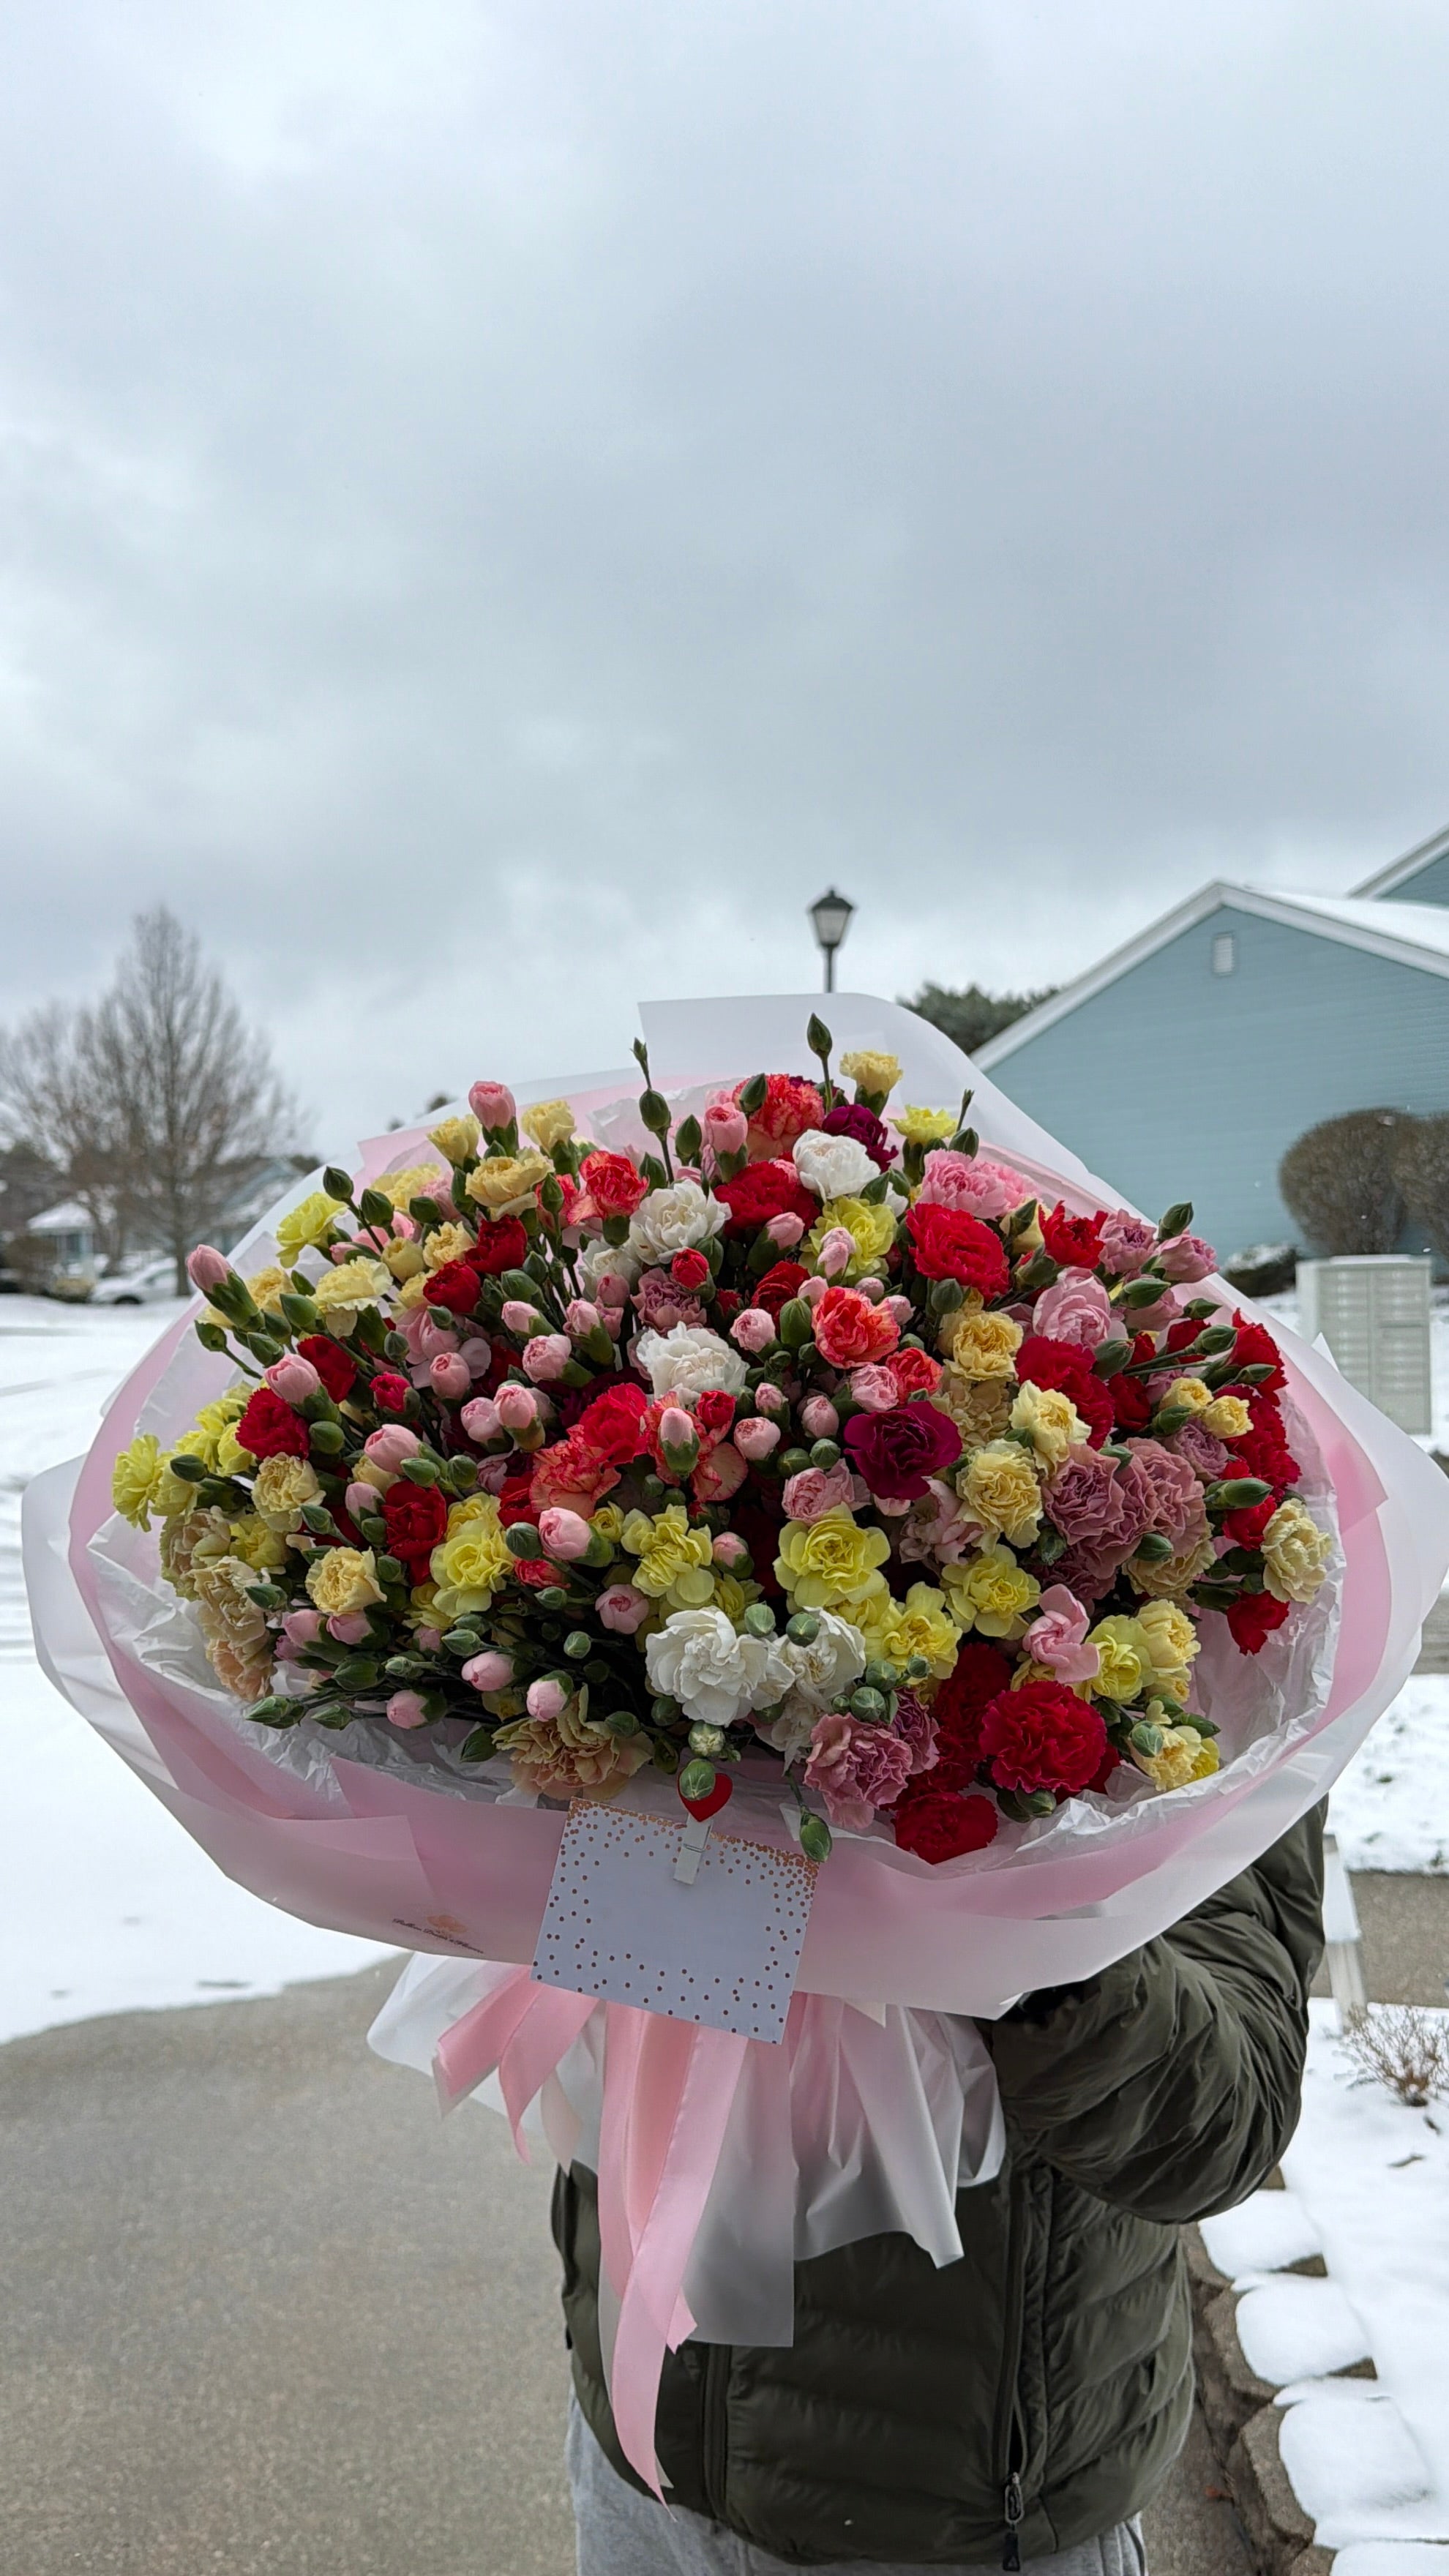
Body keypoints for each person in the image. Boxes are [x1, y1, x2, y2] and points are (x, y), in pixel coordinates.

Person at [553, 1808, 1324, 2575]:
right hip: (645, 2456)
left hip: (953, 2514)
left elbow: (1220, 2125)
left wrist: (1013, 1894)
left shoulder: (1223, 1694)